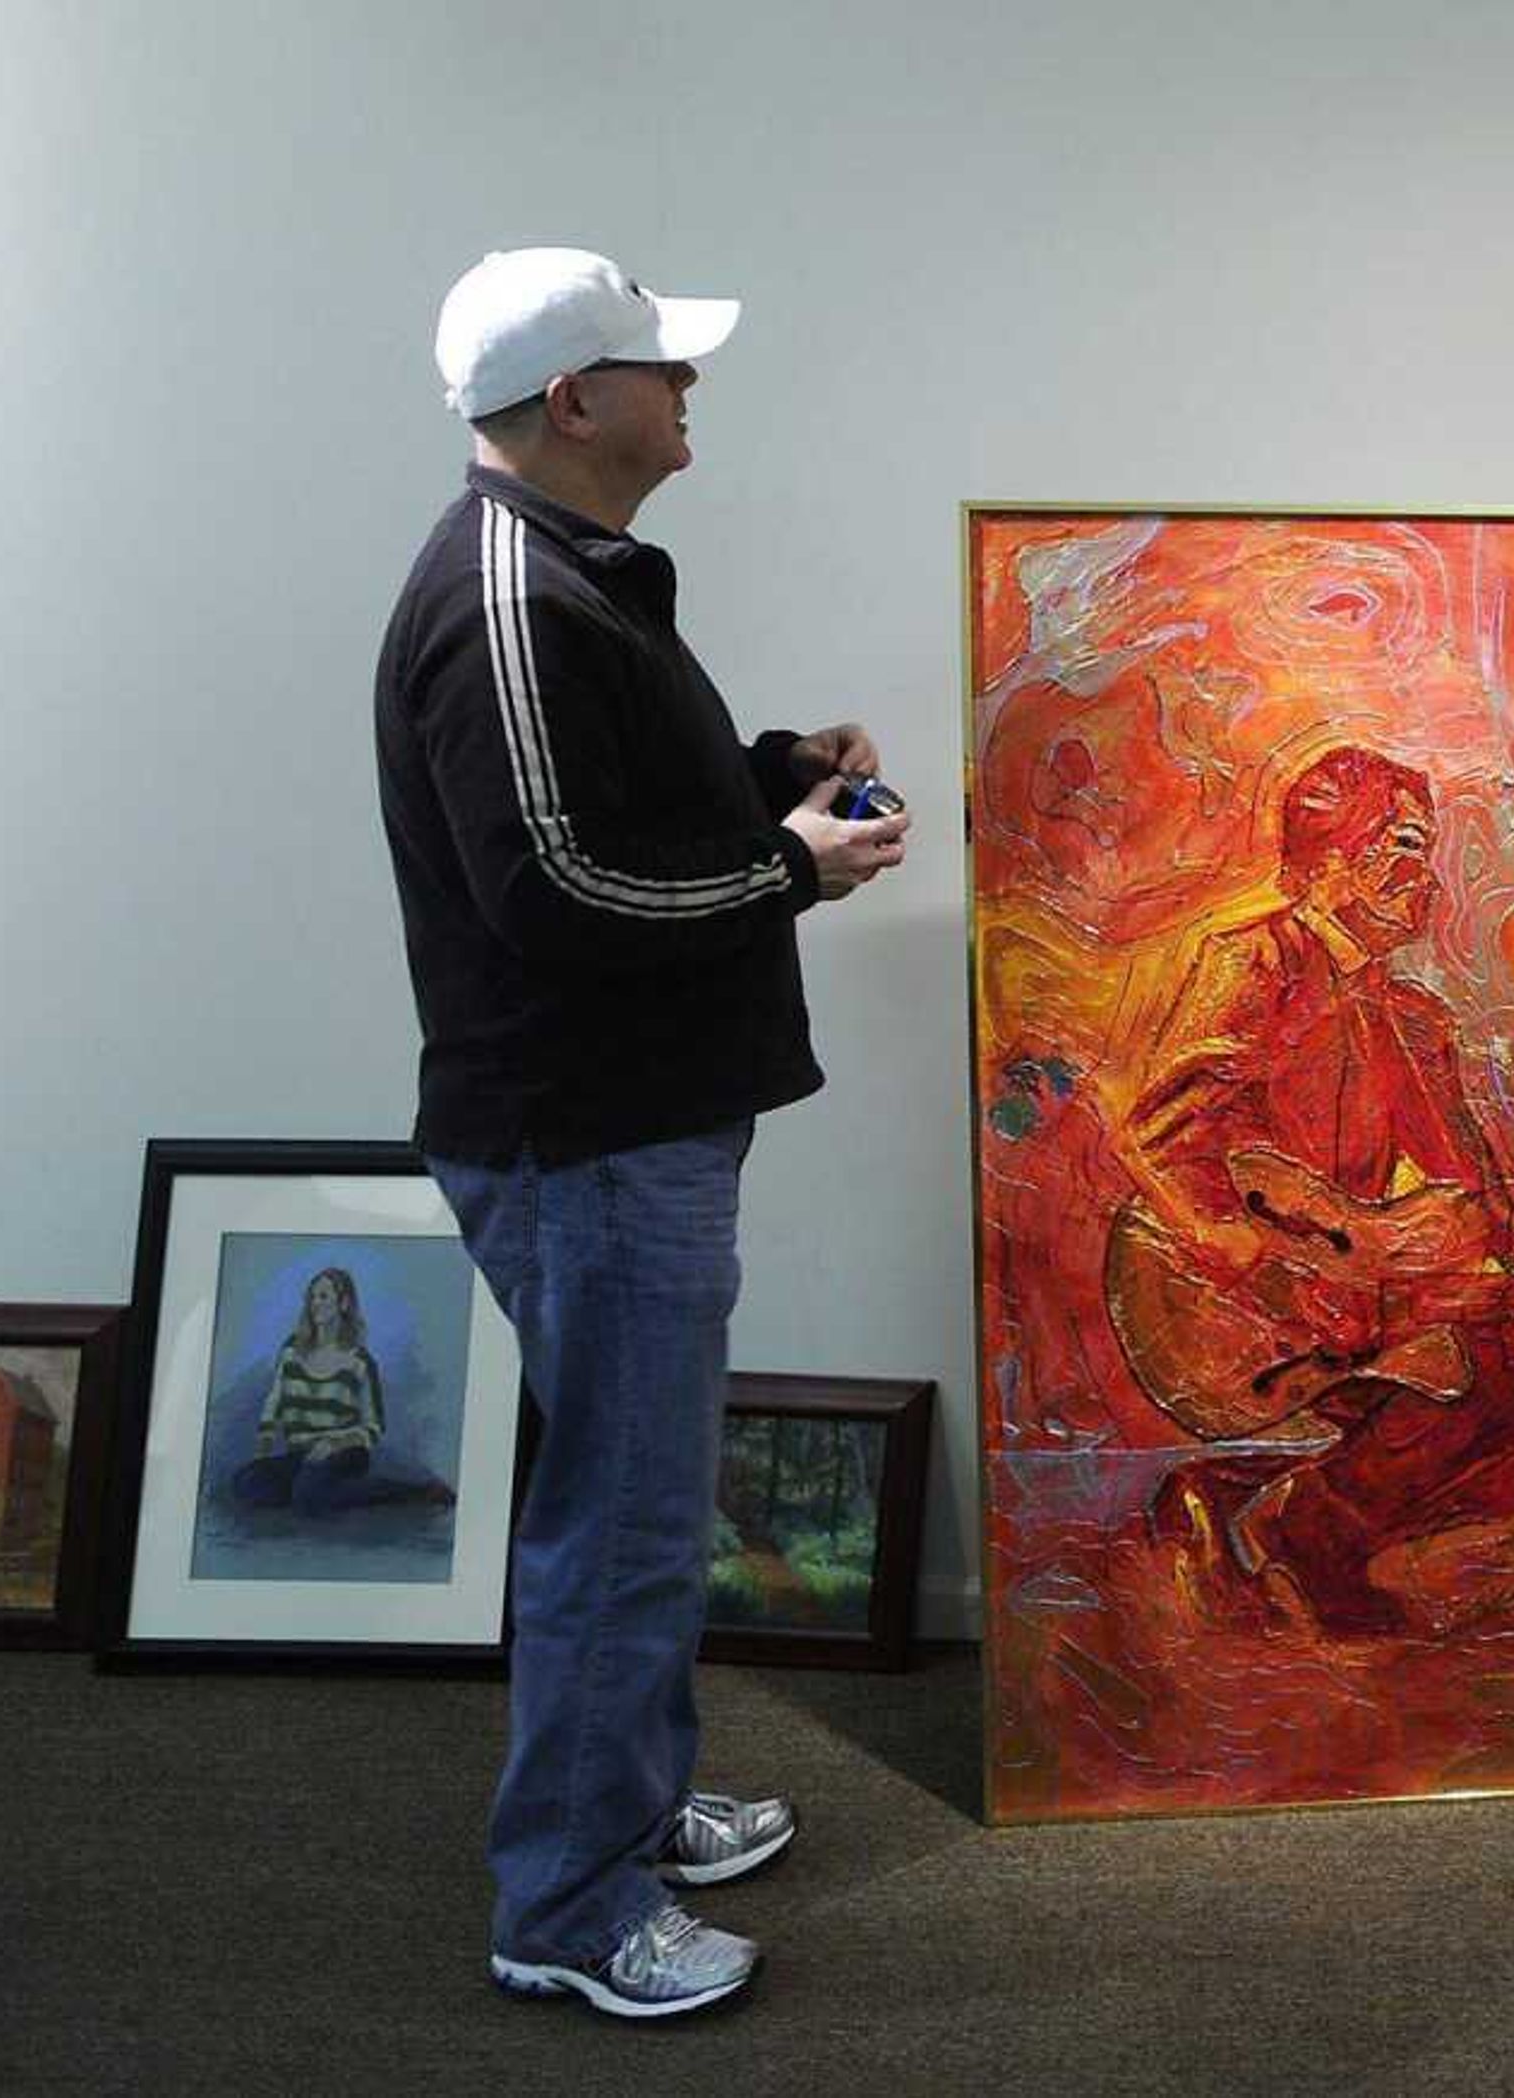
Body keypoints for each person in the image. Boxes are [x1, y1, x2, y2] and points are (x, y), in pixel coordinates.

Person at [374, 246, 910, 2018]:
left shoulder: (571, 577)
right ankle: (570, 1903)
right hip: (587, 1138)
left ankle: (633, 1804)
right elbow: (555, 887)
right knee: (621, 1520)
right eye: (661, 367)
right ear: (572, 403)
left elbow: (598, 809)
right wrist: (789, 866)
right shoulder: (513, 600)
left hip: (626, 1129)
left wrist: (762, 769)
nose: (692, 390)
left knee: (640, 1497)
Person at [1113, 746, 1514, 1635]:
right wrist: (1259, 1265)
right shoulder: (1255, 962)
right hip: (1220, 1293)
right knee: (1495, 1405)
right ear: (1331, 860)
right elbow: (1169, 1133)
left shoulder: (1412, 1019)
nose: (1429, 879)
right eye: (1406, 846)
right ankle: (1305, 1538)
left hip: (1347, 1285)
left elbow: (1468, 1189)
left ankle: (1234, 1501)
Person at [227, 1265, 454, 1514]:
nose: (315, 1303)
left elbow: (374, 1427)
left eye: (324, 1296)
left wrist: (334, 1443)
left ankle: (419, 1493)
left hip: (345, 1453)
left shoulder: (359, 1361)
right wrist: (264, 1449)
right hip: (301, 1453)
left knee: (309, 1496)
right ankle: (310, 1490)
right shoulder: (291, 1352)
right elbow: (274, 1403)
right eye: (312, 1297)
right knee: (246, 1484)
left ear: (344, 1303)